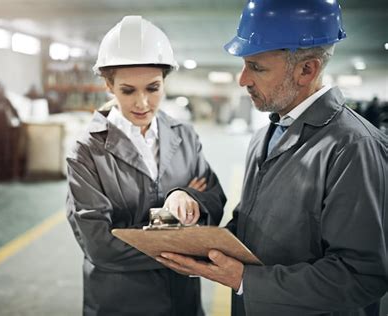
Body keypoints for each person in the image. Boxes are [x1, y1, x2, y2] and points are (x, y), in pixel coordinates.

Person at [156, 1, 388, 315]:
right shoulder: (266, 136)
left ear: (307, 70)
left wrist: (245, 280)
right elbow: (249, 229)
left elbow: (361, 276)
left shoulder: (353, 146)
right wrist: (194, 236)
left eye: (257, 67)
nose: (242, 79)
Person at [66, 16, 226, 316]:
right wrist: (179, 231)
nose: (142, 102)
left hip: (183, 301)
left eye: (153, 88)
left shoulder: (184, 135)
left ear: (165, 80)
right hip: (122, 302)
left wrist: (189, 196)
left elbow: (214, 200)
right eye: (128, 90)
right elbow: (101, 247)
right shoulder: (87, 152)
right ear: (108, 84)